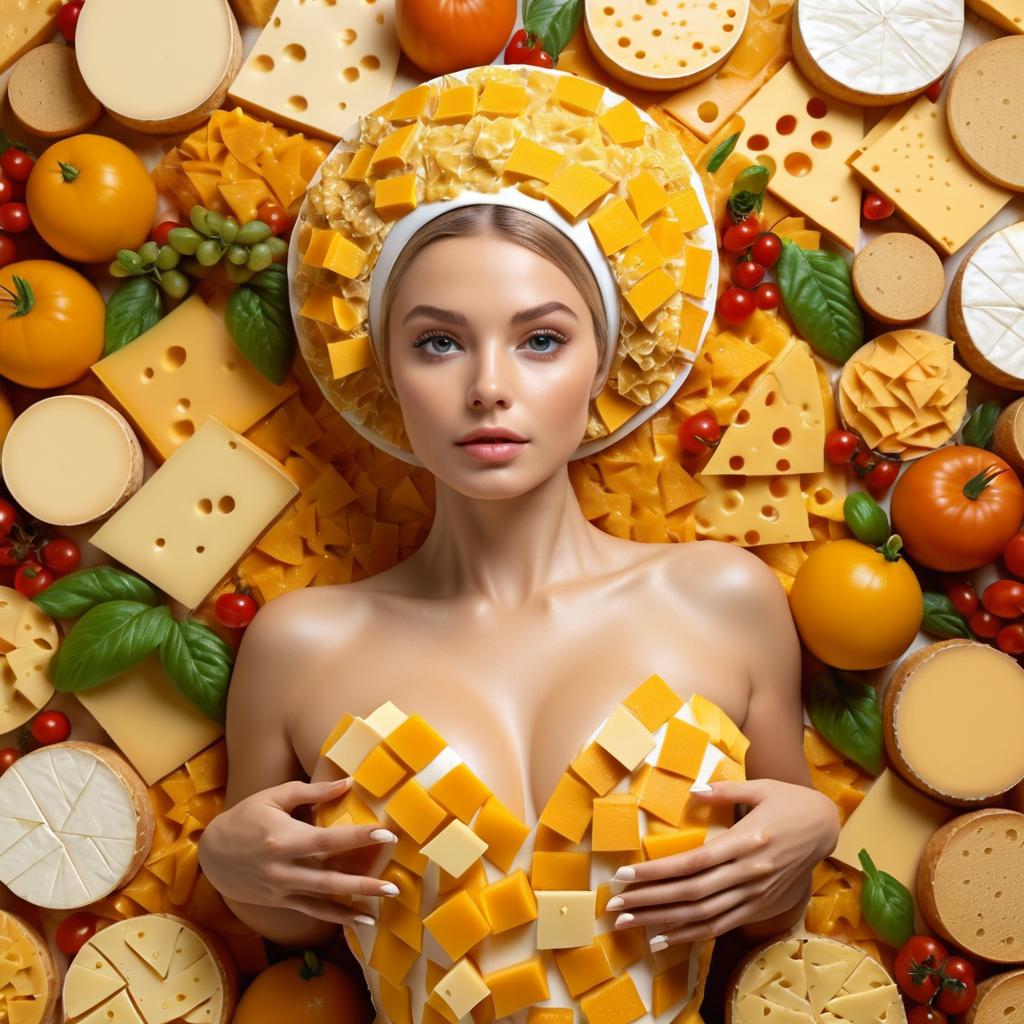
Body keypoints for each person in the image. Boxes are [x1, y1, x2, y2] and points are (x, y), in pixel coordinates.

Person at [198, 65, 841, 1021]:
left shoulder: (724, 599)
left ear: (603, 362)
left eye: (539, 340)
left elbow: (760, 914)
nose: (489, 388)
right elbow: (295, 933)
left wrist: (815, 825)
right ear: (385, 373)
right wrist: (227, 864)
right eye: (439, 342)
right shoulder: (299, 643)